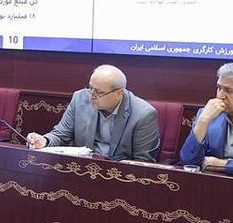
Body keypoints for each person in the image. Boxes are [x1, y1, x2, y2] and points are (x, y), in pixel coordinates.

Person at [26, 65, 159, 161]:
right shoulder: (79, 99)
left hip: (119, 177)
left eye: (99, 92)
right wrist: (44, 140)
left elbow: (142, 162)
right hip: (82, 170)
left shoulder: (143, 115)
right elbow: (60, 135)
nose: (91, 96)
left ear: (119, 93)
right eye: (90, 88)